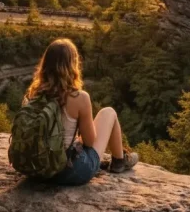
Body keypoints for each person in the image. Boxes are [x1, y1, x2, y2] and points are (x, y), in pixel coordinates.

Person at [23, 38, 138, 185]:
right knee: (109, 112)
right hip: (68, 172)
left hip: (36, 169)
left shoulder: (32, 94)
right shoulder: (79, 97)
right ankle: (119, 161)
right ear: (73, 65)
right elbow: (90, 142)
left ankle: (118, 160)